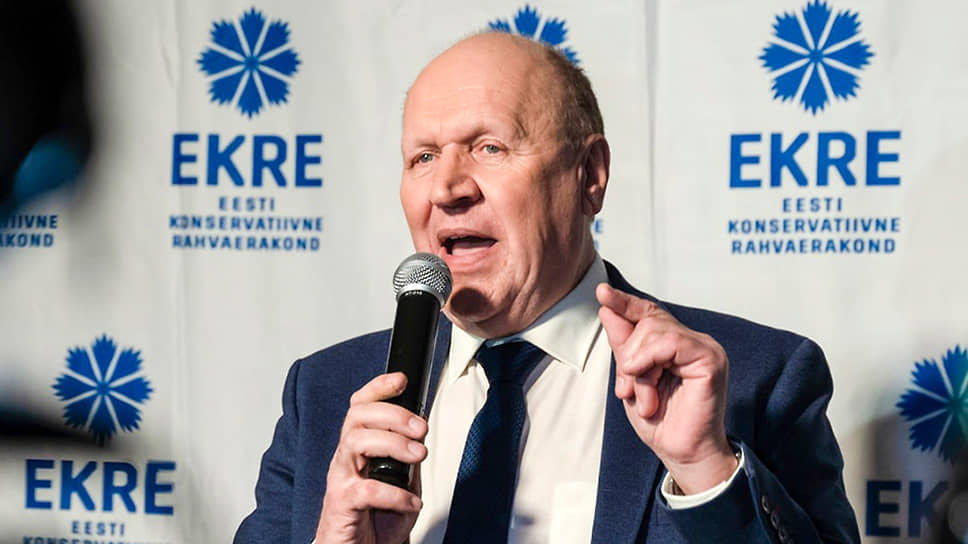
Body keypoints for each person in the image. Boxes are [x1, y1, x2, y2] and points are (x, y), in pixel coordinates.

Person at [235, 32, 860, 543]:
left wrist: (706, 469)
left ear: (590, 175)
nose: (447, 188)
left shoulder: (757, 378)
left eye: (489, 147)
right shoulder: (324, 394)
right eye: (422, 157)